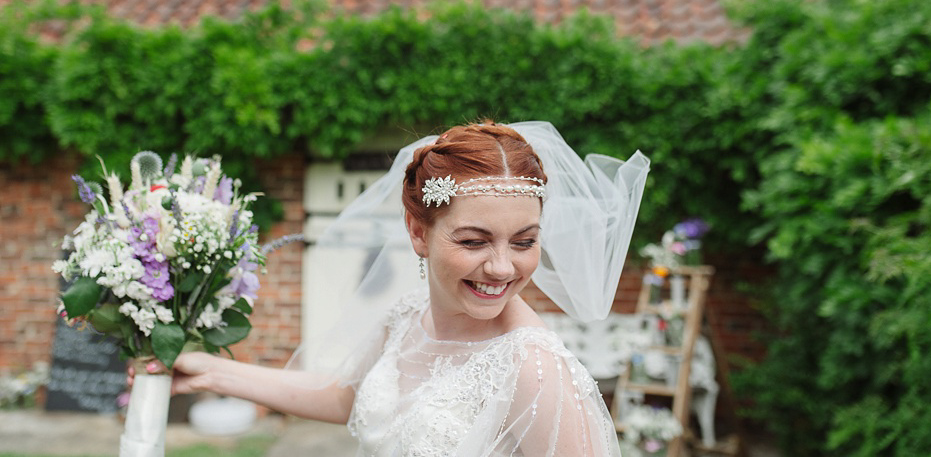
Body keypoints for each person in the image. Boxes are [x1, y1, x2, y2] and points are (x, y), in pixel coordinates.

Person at [135, 121, 649, 456]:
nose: (501, 267)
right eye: (474, 241)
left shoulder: (534, 368)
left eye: (524, 241)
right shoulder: (406, 319)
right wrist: (212, 372)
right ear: (418, 232)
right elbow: (342, 399)